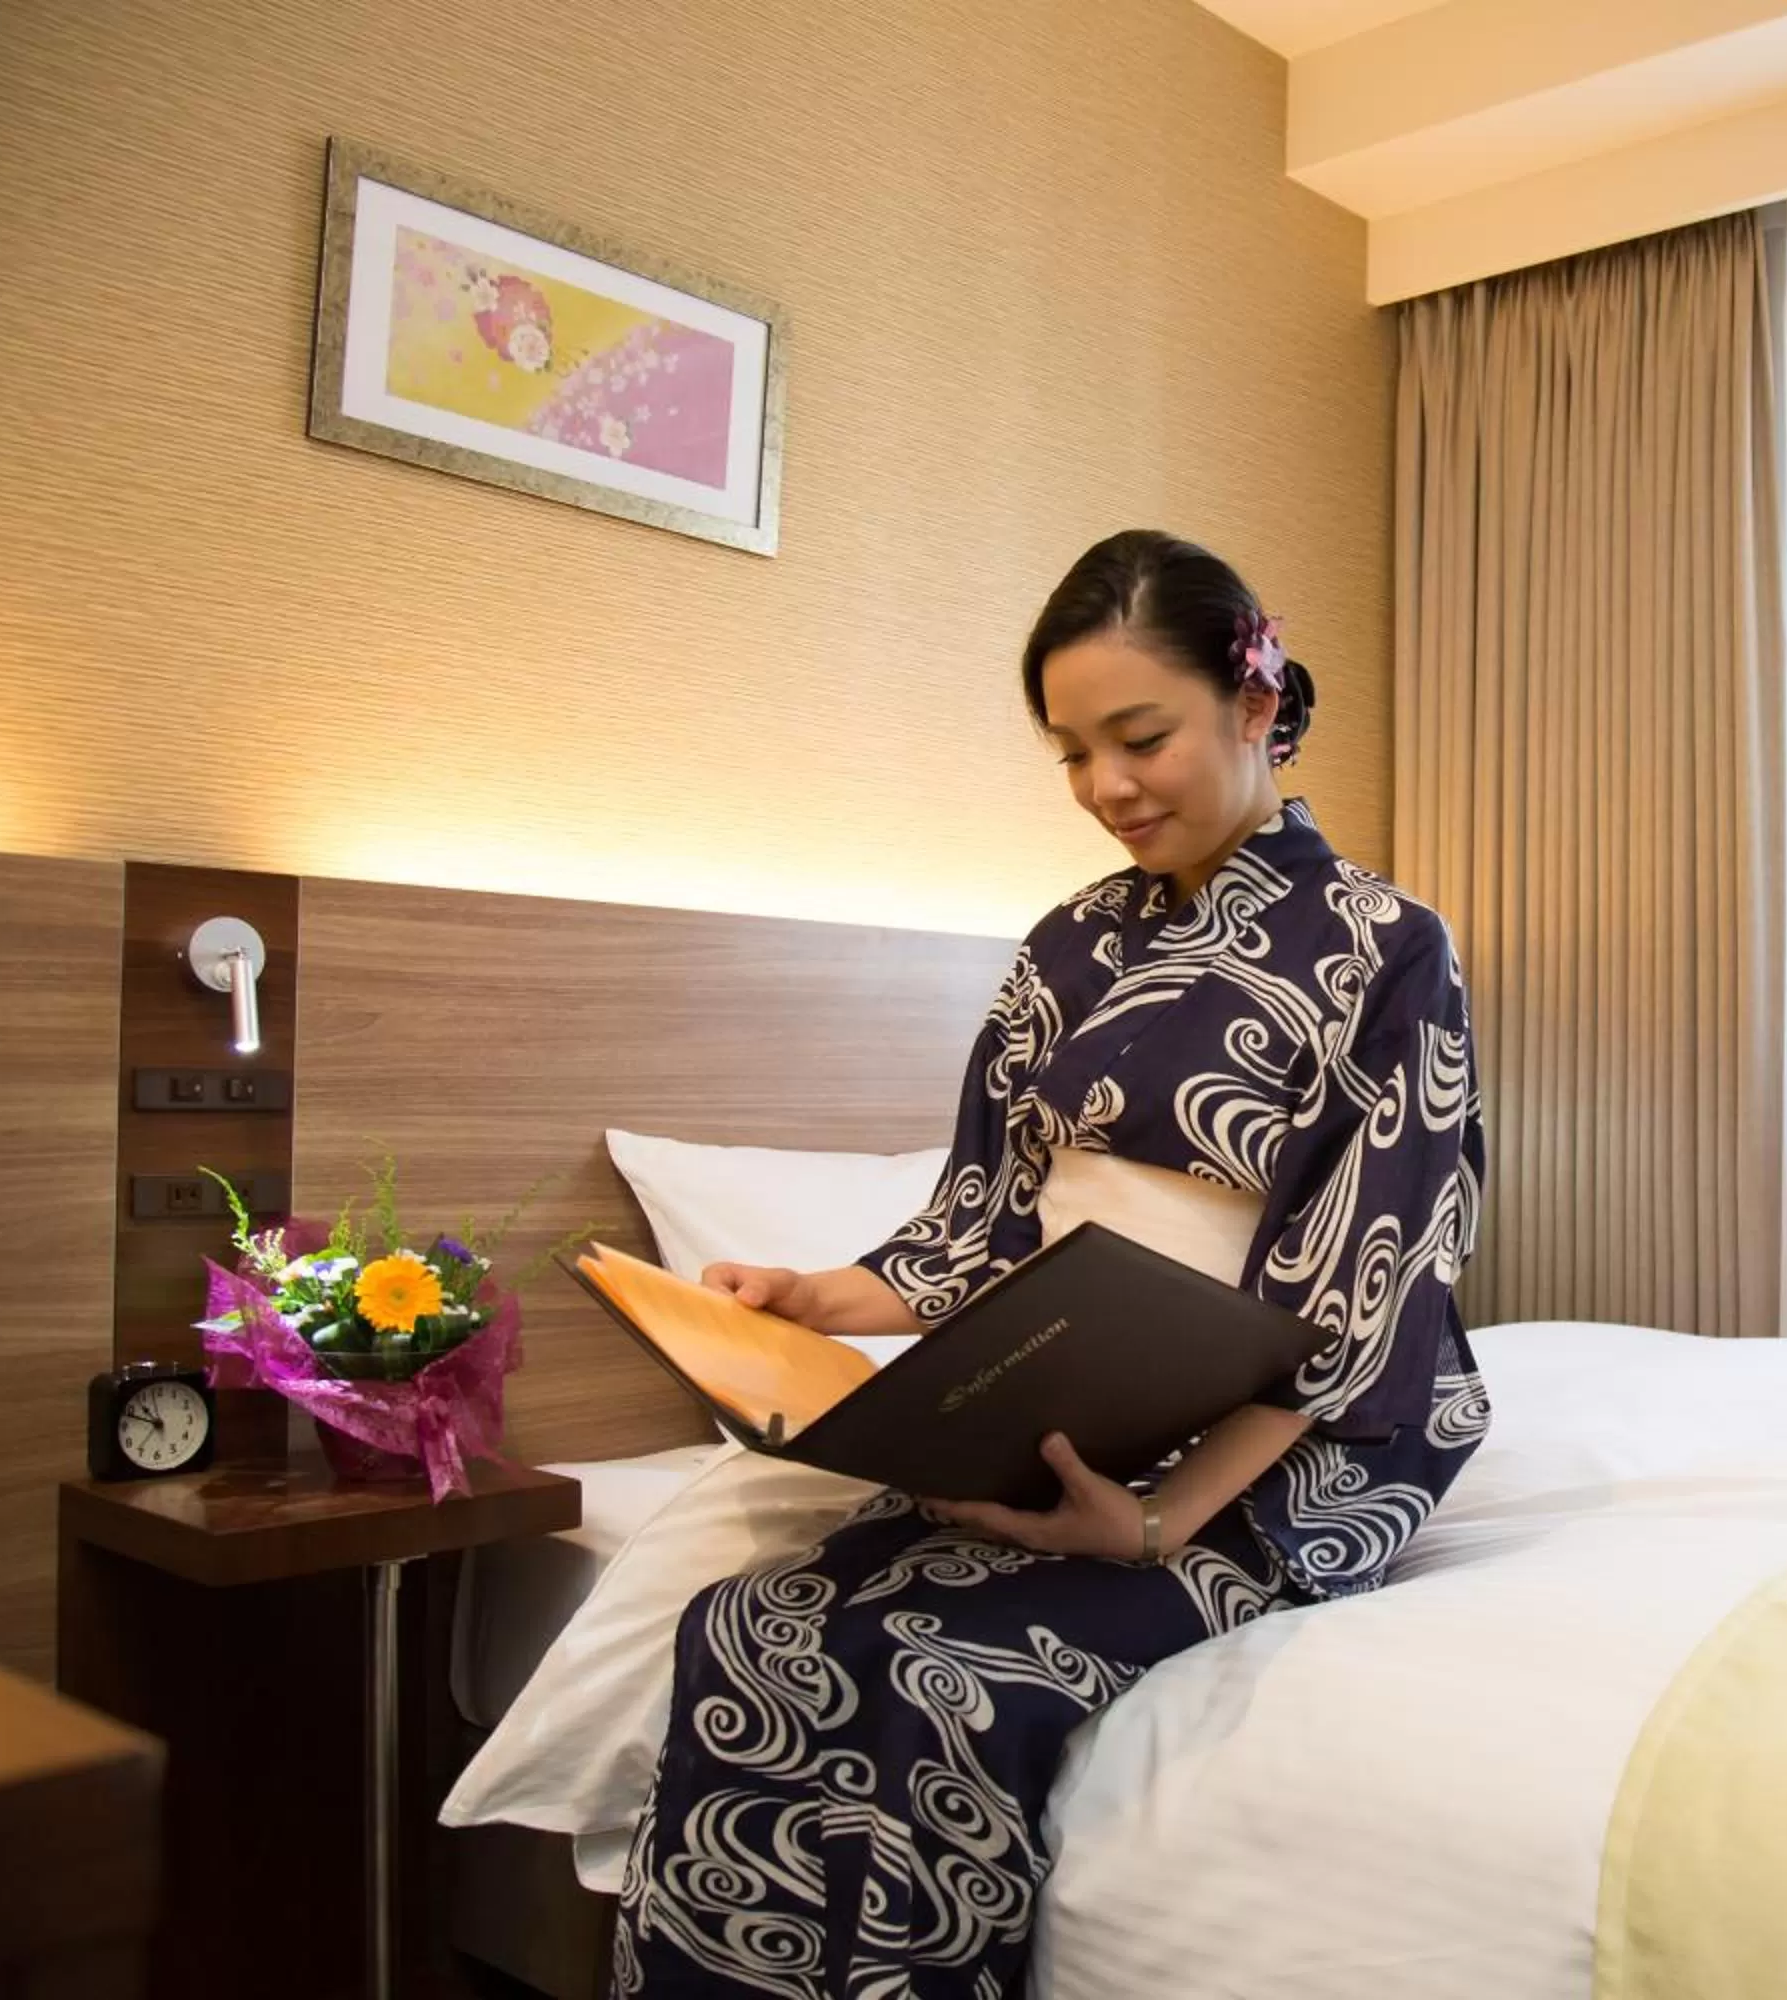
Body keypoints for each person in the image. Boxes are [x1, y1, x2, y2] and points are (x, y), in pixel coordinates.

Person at [612, 530, 1491, 1997]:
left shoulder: (1388, 945)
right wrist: (810, 1299)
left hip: (1296, 1431)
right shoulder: (1064, 944)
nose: (1105, 789)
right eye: (1071, 755)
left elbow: (1368, 1283)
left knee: (933, 1671)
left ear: (1254, 704)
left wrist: (1155, 1531)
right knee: (752, 1621)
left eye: (1138, 739)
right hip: (1082, 1398)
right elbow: (981, 1223)